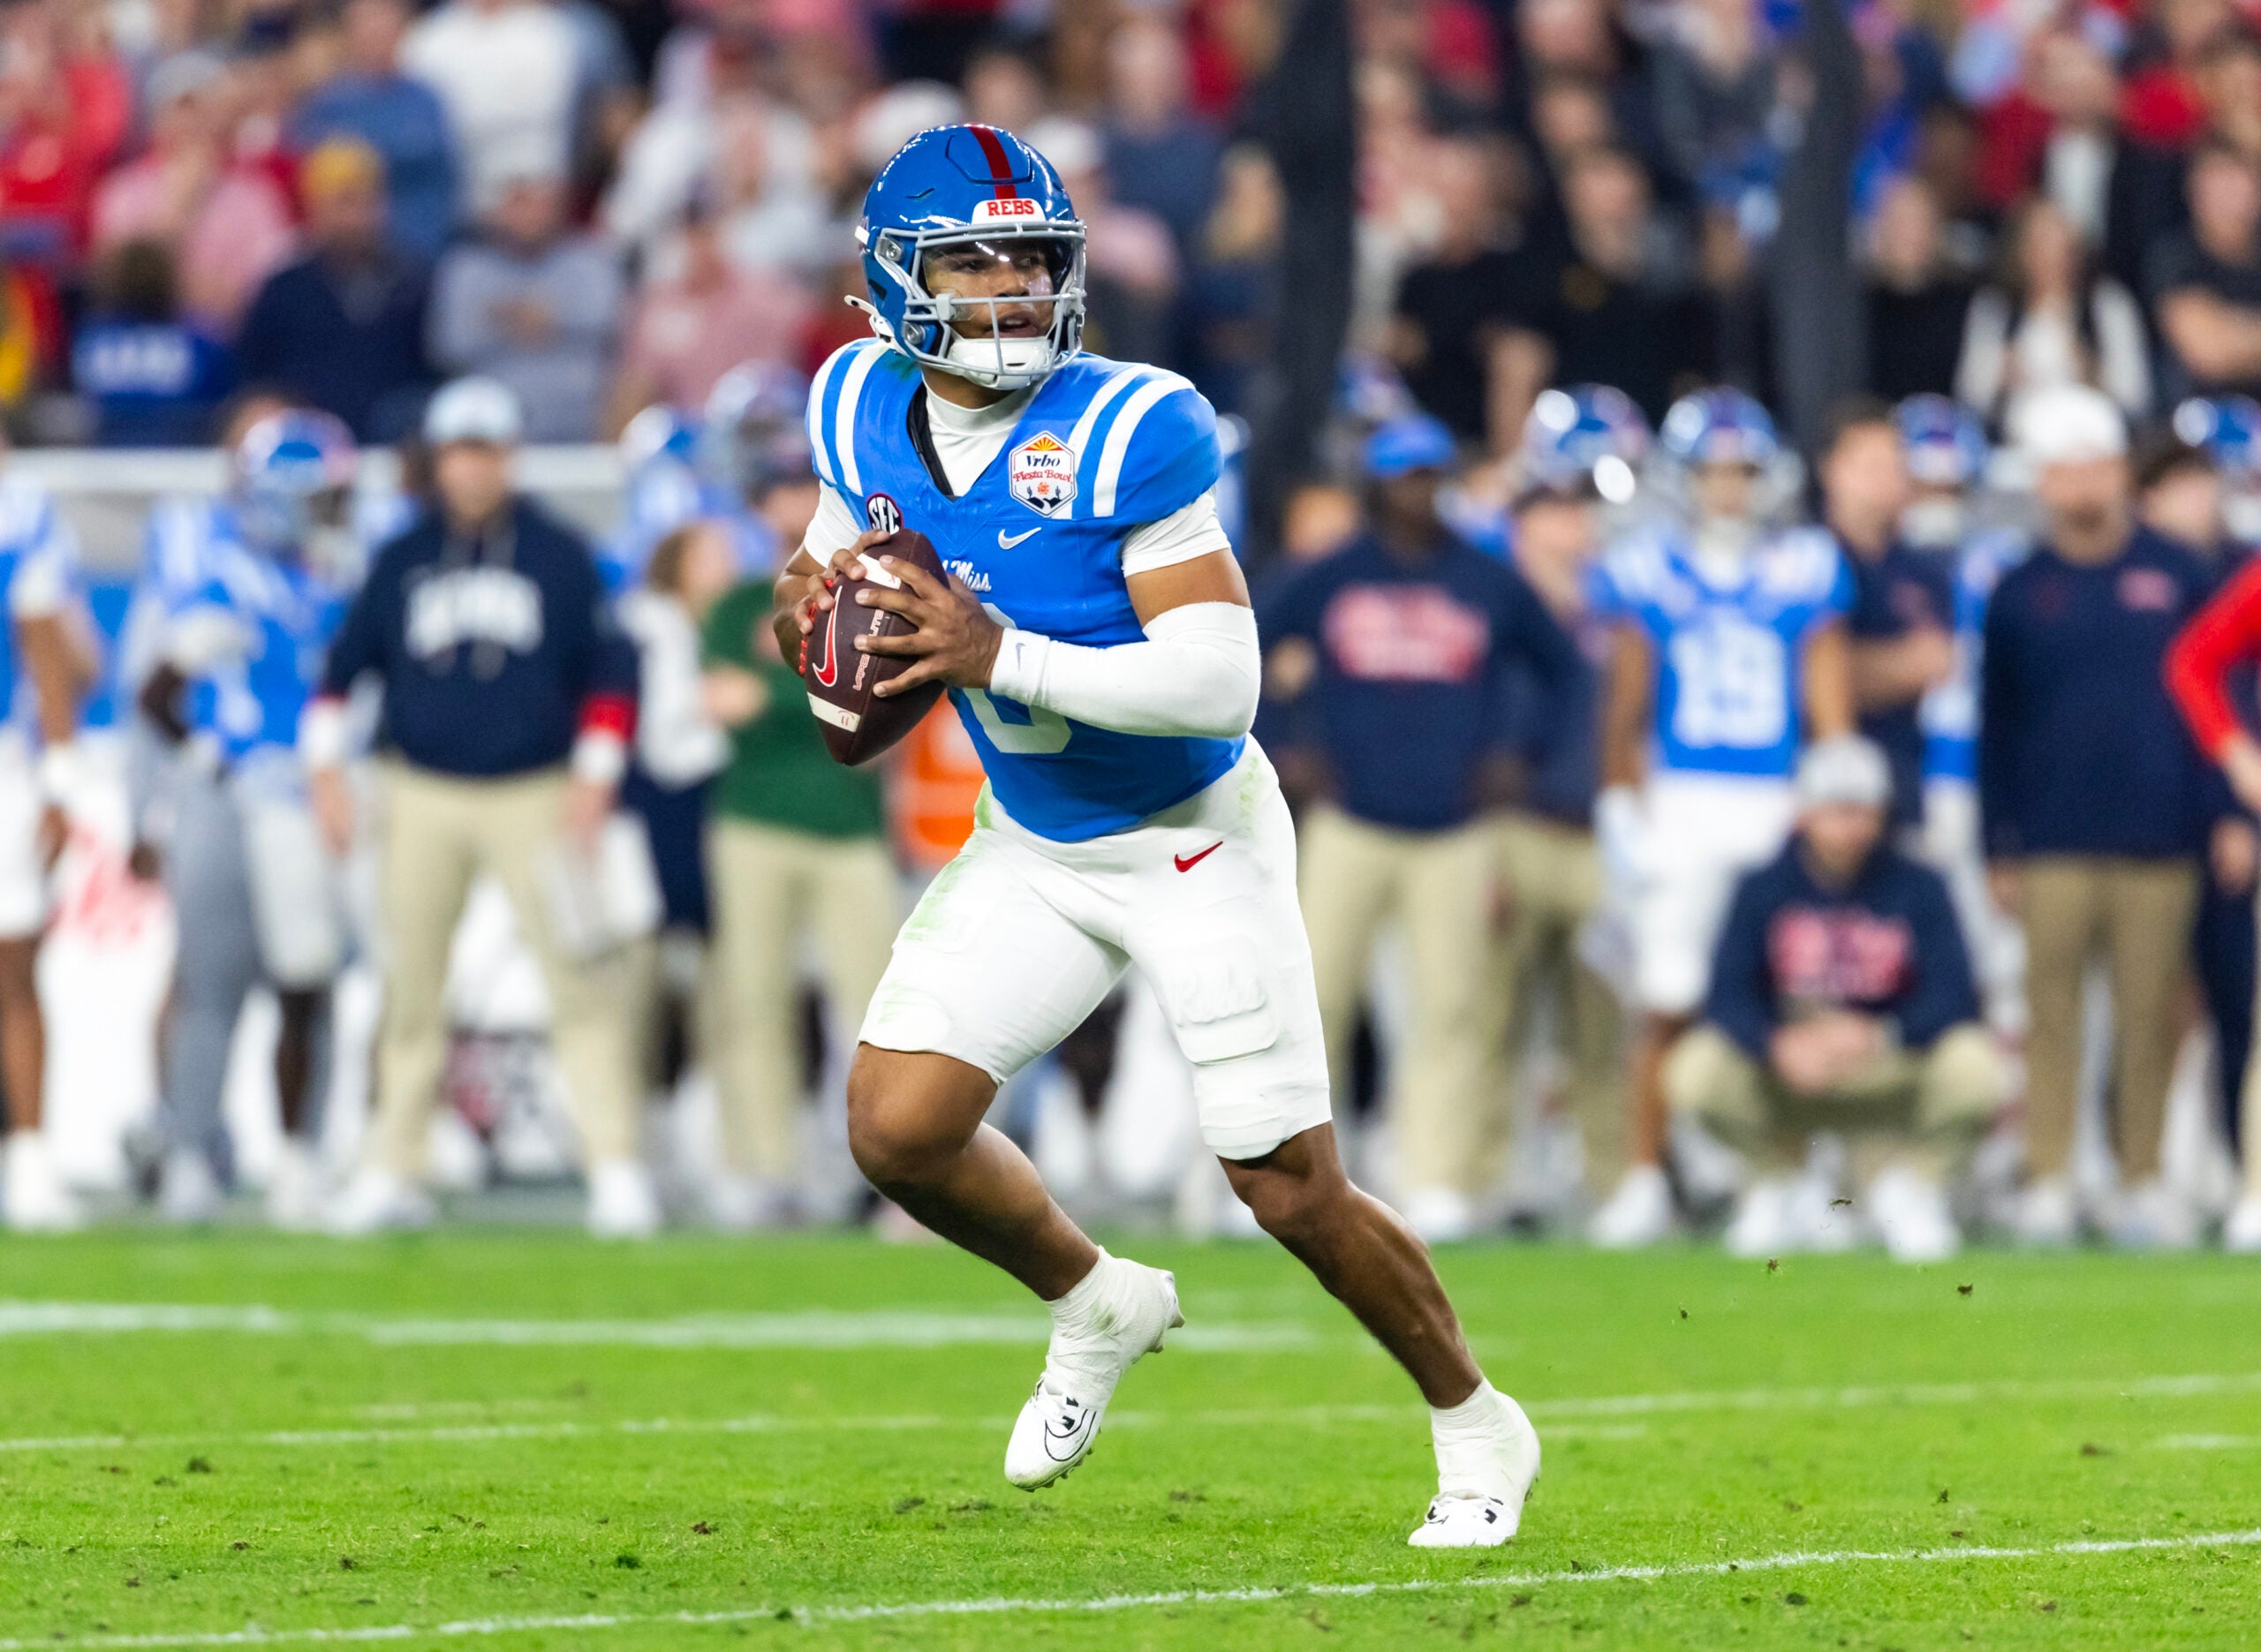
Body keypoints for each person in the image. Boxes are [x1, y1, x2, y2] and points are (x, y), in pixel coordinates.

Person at [768, 124, 1540, 1547]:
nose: (1006, 292)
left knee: (1285, 1182)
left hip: (1192, 833)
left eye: (1029, 260)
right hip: (1038, 836)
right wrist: (817, 600)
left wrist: (998, 654)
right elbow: (841, 540)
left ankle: (1477, 1417)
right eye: (970, 261)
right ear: (887, 282)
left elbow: (1218, 680)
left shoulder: (1134, 421)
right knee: (898, 1126)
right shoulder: (855, 397)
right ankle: (1094, 1297)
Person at [306, 377, 649, 1238]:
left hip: (534, 789)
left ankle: (614, 1162)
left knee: (579, 978)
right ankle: (393, 1164)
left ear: (509, 457)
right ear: (438, 459)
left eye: (486, 450)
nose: (472, 468)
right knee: (410, 984)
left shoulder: (558, 553)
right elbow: (343, 669)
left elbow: (612, 666)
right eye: (459, 451)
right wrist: (325, 776)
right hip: (419, 788)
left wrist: (596, 773)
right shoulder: (403, 554)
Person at [1257, 412, 1580, 1241]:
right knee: (1311, 1000)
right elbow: (1239, 645)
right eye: (1403, 477)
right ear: (1375, 485)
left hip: (1456, 826)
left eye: (1430, 476)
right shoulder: (1330, 573)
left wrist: (1519, 755)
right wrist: (1287, 746)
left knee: (1453, 1009)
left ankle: (1436, 1177)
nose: (1418, 493)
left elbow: (1567, 672)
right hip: (1349, 819)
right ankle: (1294, 1176)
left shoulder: (1484, 578)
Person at [1587, 387, 1856, 1248]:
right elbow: (1622, 709)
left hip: (1776, 797)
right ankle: (1643, 1175)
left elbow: (1831, 712)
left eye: (1741, 470)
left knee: (1799, 990)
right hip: (1685, 796)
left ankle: (1795, 1176)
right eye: (1713, 470)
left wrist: (1833, 797)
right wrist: (1624, 804)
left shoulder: (1804, 565)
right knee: (1666, 998)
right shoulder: (1646, 569)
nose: (1729, 487)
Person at [1985, 385, 2222, 1248]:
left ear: (2119, 470)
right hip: (2048, 835)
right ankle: (2047, 1174)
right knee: (2050, 1014)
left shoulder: (2178, 571)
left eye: (2093, 464)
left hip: (2159, 830)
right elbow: (1994, 726)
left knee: (2148, 1015)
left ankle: (2140, 1176)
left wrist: (2218, 814)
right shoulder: (2017, 588)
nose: (2080, 483)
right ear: (2041, 482)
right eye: (2063, 468)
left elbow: (2218, 700)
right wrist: (1996, 841)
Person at [132, 412, 362, 1227]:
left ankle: (298, 1160)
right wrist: (204, 769)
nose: (338, 509)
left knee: (312, 983)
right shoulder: (214, 567)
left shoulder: (335, 575)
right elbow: (155, 694)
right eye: (323, 495)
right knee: (211, 987)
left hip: (312, 795)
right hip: (231, 796)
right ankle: (191, 1152)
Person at [1668, 735, 1999, 1261]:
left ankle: (1914, 1190)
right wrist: (1776, 1043)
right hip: (1791, 1067)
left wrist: (1878, 1034)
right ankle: (1778, 1186)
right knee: (1697, 1070)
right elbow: (1726, 995)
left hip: (1886, 1061)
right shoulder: (1763, 886)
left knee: (1976, 1067)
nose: (1849, 826)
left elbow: (1955, 995)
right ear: (1806, 812)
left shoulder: (1920, 885)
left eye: (1861, 810)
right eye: (1836, 810)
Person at [1491, 387, 1649, 1226]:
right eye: (1565, 503)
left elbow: (1635, 716)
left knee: (1602, 1022)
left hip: (1595, 829)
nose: (1581, 522)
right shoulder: (1488, 588)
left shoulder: (1620, 603)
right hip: (1508, 825)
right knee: (1490, 1017)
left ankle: (1610, 1182)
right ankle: (1489, 1175)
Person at [0, 440, 87, 1231]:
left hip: (1, 750)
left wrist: (59, 776)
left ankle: (30, 1153)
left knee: (12, 962)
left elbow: (45, 650)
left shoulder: (17, 510)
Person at [235, 137, 433, 441]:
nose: (356, 217)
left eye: (367, 201)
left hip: (392, 451)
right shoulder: (285, 288)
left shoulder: (411, 284)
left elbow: (430, 370)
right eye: (344, 201)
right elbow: (255, 378)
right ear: (315, 207)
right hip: (304, 457)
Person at [1822, 400, 1956, 837]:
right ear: (1831, 469)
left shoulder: (1925, 572)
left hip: (1902, 783)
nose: (1886, 478)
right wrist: (1890, 668)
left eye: (1895, 464)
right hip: (1816, 792)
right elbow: (1804, 679)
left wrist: (1844, 666)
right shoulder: (1801, 559)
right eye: (1870, 465)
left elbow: (1936, 665)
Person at [428, 164, 624, 442]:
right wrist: (533, 320)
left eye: (537, 200)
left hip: (584, 420)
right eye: (517, 201)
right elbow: (449, 345)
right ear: (495, 210)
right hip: (493, 428)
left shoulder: (590, 259)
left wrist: (523, 317)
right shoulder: (466, 269)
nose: (528, 214)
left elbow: (609, 323)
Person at [290, 0, 460, 261]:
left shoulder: (426, 100)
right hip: (347, 259)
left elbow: (445, 177)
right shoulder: (327, 105)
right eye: (368, 25)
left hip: (420, 253)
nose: (377, 34)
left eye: (385, 25)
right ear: (350, 34)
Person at [1958, 195, 2151, 425]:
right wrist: (1998, 374)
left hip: (2090, 439)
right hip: (2015, 437)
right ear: (2020, 252)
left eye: (2060, 245)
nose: (2050, 257)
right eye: (2039, 245)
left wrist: (2092, 374)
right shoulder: (1995, 308)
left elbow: (2137, 399)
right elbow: (1967, 396)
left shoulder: (2108, 304)